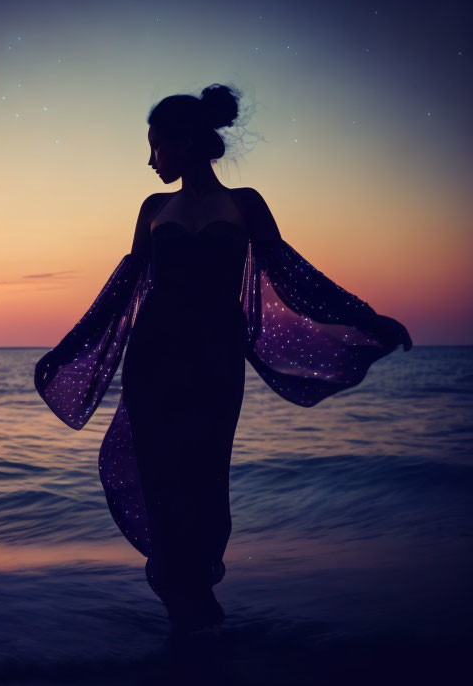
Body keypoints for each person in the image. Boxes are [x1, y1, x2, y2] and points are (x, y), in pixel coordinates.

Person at [34, 83, 412, 635]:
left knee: (205, 474)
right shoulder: (153, 209)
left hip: (214, 359)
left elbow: (289, 274)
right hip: (154, 358)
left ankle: (199, 599)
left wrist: (365, 318)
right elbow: (125, 288)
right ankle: (180, 608)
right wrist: (68, 350)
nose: (149, 159)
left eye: (156, 145)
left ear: (185, 142)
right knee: (161, 476)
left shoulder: (246, 203)